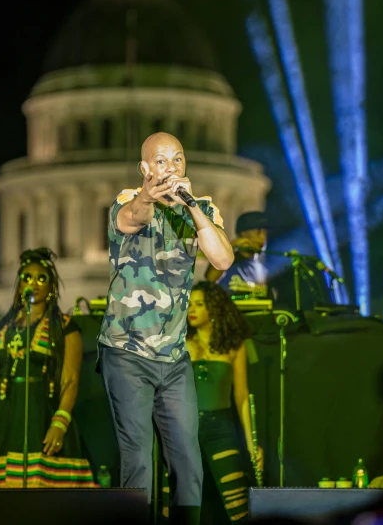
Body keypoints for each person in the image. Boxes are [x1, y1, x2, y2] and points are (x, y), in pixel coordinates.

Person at [98, 132, 234, 525]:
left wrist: (190, 207)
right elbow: (130, 220)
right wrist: (150, 196)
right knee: (138, 457)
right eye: (161, 161)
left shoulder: (203, 208)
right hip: (126, 351)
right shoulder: (129, 200)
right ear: (144, 169)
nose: (171, 167)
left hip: (173, 357)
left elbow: (222, 260)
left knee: (188, 459)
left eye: (177, 159)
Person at [0, 248, 96, 506]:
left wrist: (59, 423)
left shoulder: (65, 326)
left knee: (44, 505)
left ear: (53, 287)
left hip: (42, 417)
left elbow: (70, 379)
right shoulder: (4, 328)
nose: (33, 283)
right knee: (1, 509)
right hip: (5, 422)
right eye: (26, 278)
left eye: (41, 278)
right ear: (19, 285)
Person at [163, 281, 263, 523]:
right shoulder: (179, 344)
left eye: (199, 304)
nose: (192, 310)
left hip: (220, 429)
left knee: (238, 507)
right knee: (173, 509)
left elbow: (241, 396)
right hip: (182, 431)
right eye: (189, 304)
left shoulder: (234, 346)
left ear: (215, 309)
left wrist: (252, 444)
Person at [206, 211, 269, 294]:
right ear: (243, 233)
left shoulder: (266, 262)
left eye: (265, 233)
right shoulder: (227, 261)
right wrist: (231, 246)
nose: (263, 237)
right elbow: (210, 279)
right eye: (258, 232)